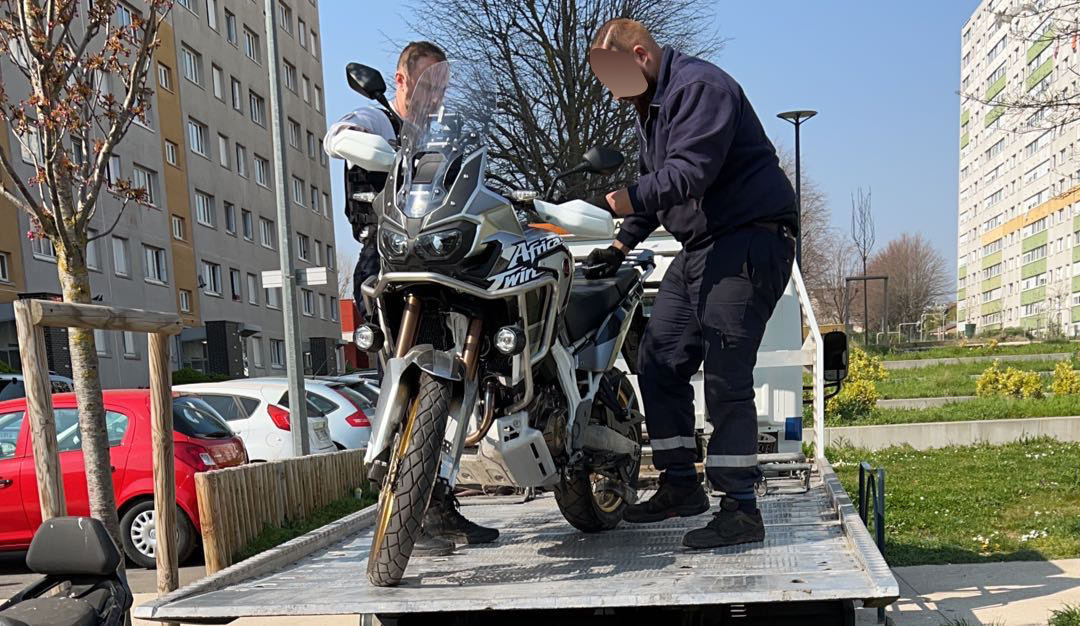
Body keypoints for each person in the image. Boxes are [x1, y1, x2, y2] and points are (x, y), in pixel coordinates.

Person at [586, 19, 797, 549]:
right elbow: (658, 194)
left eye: (615, 79)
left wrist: (620, 200)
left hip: (748, 238)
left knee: (727, 368)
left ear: (640, 55)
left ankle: (742, 509)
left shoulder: (700, 89)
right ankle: (681, 485)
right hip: (703, 246)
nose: (614, 94)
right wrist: (617, 246)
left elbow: (688, 175)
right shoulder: (651, 110)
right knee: (659, 360)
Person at [324, 41, 499, 553]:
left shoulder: (445, 137)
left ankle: (435, 499)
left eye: (442, 87)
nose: (436, 96)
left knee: (447, 382)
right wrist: (364, 144)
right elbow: (339, 136)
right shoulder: (376, 117)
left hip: (437, 267)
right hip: (387, 262)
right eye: (427, 86)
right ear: (401, 81)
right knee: (399, 384)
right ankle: (405, 503)